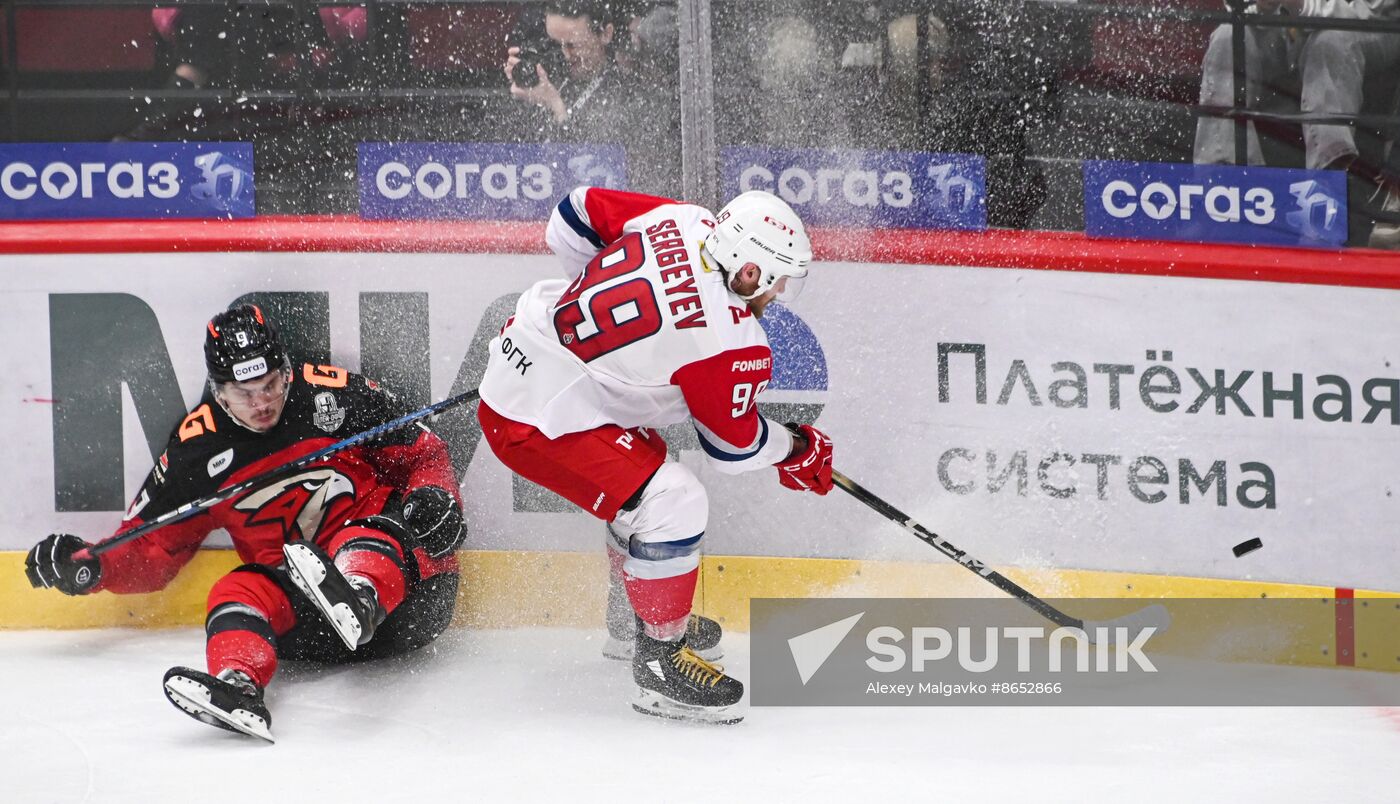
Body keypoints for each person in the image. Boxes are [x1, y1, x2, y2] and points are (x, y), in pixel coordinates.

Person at [477, 186, 835, 724]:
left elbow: (571, 215)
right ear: (749, 271)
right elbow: (733, 449)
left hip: (529, 349)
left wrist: (588, 307)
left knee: (644, 477)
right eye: (779, 277)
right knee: (673, 499)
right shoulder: (733, 340)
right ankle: (659, 662)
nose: (781, 292)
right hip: (533, 420)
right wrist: (797, 449)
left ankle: (631, 622)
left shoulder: (685, 220)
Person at [24, 304, 465, 742]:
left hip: (410, 600)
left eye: (270, 384)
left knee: (362, 532)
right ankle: (239, 686)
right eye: (244, 392)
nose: (262, 403)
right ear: (218, 390)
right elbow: (150, 547)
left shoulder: (334, 396)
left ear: (286, 370)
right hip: (314, 625)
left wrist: (436, 498)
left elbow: (425, 452)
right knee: (235, 590)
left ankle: (361, 598)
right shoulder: (195, 452)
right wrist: (93, 567)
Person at [1193, 0, 1400, 245]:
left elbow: (1372, 11)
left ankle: (1326, 195)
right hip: (1289, 26)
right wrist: (1261, 6)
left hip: (1369, 26)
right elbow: (1239, 7)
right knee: (1227, 38)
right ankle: (1225, 190)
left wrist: (1301, 5)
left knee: (1329, 43)